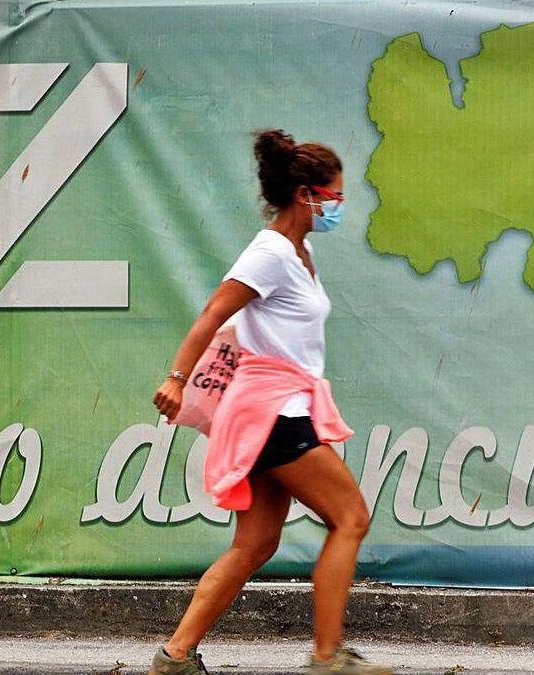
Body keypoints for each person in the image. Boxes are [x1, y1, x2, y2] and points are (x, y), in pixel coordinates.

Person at [149, 129, 391, 675]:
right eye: (335, 196)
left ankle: (175, 657)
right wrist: (177, 378)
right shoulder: (272, 252)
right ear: (307, 194)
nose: (338, 206)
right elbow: (215, 312)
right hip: (272, 412)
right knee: (350, 517)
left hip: (277, 407)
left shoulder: (302, 254)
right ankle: (328, 658)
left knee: (255, 544)